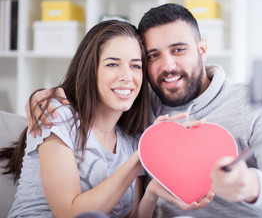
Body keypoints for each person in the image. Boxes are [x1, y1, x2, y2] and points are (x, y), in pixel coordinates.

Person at [24, 3, 262, 217]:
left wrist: (251, 186)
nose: (167, 66)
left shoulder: (255, 102)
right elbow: (98, 91)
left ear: (202, 49)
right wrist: (42, 96)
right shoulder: (139, 107)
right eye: (153, 56)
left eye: (178, 50)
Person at [0, 20, 211, 218]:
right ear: (90, 69)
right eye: (112, 64)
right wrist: (141, 156)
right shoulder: (57, 113)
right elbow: (69, 213)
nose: (127, 76)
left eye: (136, 66)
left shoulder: (131, 140)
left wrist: (152, 192)